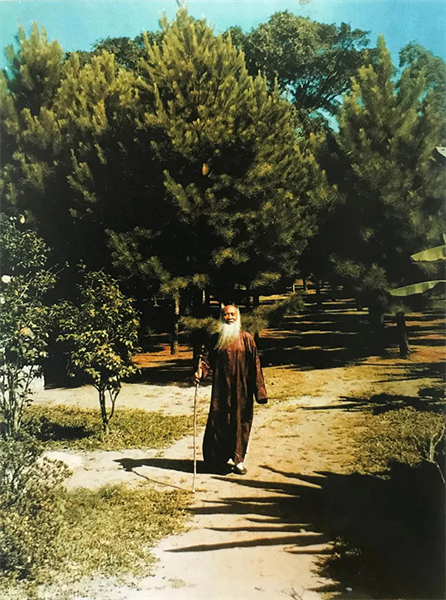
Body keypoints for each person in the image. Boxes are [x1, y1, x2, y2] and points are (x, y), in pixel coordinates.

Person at [193, 304, 268, 475]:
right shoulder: (216, 339)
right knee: (219, 423)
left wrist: (260, 392)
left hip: (242, 390)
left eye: (232, 314)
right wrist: (200, 372)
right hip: (221, 390)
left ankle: (238, 460)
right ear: (222, 317)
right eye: (226, 314)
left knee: (241, 423)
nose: (230, 317)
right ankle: (218, 460)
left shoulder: (246, 339)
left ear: (238, 316)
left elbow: (255, 365)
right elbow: (205, 360)